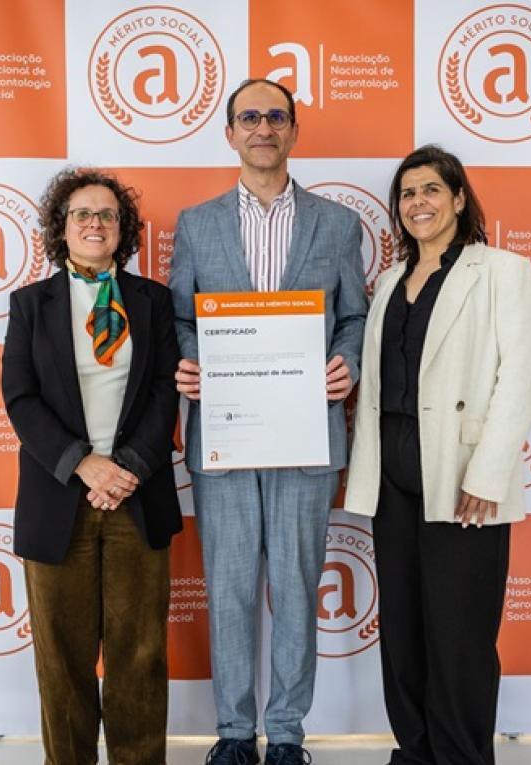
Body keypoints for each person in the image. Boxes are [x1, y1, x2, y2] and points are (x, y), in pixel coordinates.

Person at [168, 78, 367, 765]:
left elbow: (354, 318)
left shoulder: (337, 223)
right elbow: (180, 318)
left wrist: (347, 363)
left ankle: (285, 734)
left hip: (306, 433)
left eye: (275, 116)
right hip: (225, 432)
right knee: (227, 589)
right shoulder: (196, 224)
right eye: (249, 116)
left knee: (292, 583)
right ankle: (232, 732)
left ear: (293, 131)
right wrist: (189, 363)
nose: (262, 127)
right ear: (230, 133)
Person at [344, 145, 531, 765]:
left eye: (431, 190)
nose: (418, 203)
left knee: (459, 634)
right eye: (407, 194)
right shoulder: (386, 284)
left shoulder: (503, 270)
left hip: (462, 476)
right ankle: (416, 750)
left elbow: (519, 376)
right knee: (403, 632)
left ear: (459, 198)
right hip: (392, 473)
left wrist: (488, 471)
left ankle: (460, 756)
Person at [1, 168, 182, 765]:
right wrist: (85, 466)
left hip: (138, 495)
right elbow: (20, 399)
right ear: (61, 227)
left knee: (139, 657)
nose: (95, 224)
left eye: (107, 215)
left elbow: (164, 390)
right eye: (82, 213)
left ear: (122, 229)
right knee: (62, 659)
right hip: (60, 500)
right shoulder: (30, 305)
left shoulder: (154, 302)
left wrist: (124, 467)